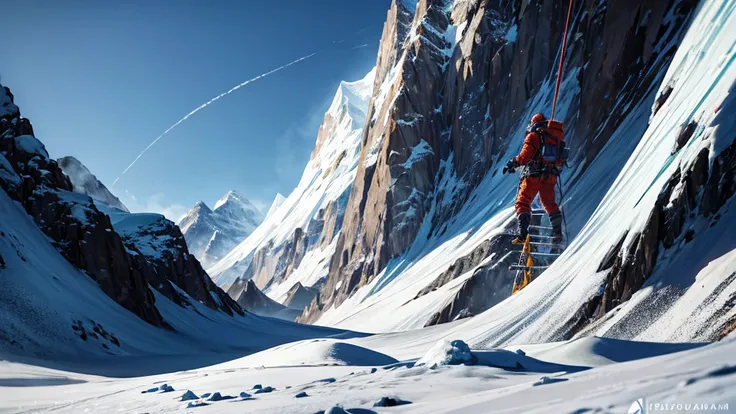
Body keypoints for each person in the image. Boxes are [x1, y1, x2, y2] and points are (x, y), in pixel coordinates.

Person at [505, 113, 564, 244]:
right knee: (549, 204)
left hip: (534, 175)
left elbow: (524, 156)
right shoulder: (555, 138)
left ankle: (523, 233)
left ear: (533, 124)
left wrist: (513, 162)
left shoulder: (533, 136)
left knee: (523, 202)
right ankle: (558, 233)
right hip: (550, 176)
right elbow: (560, 159)